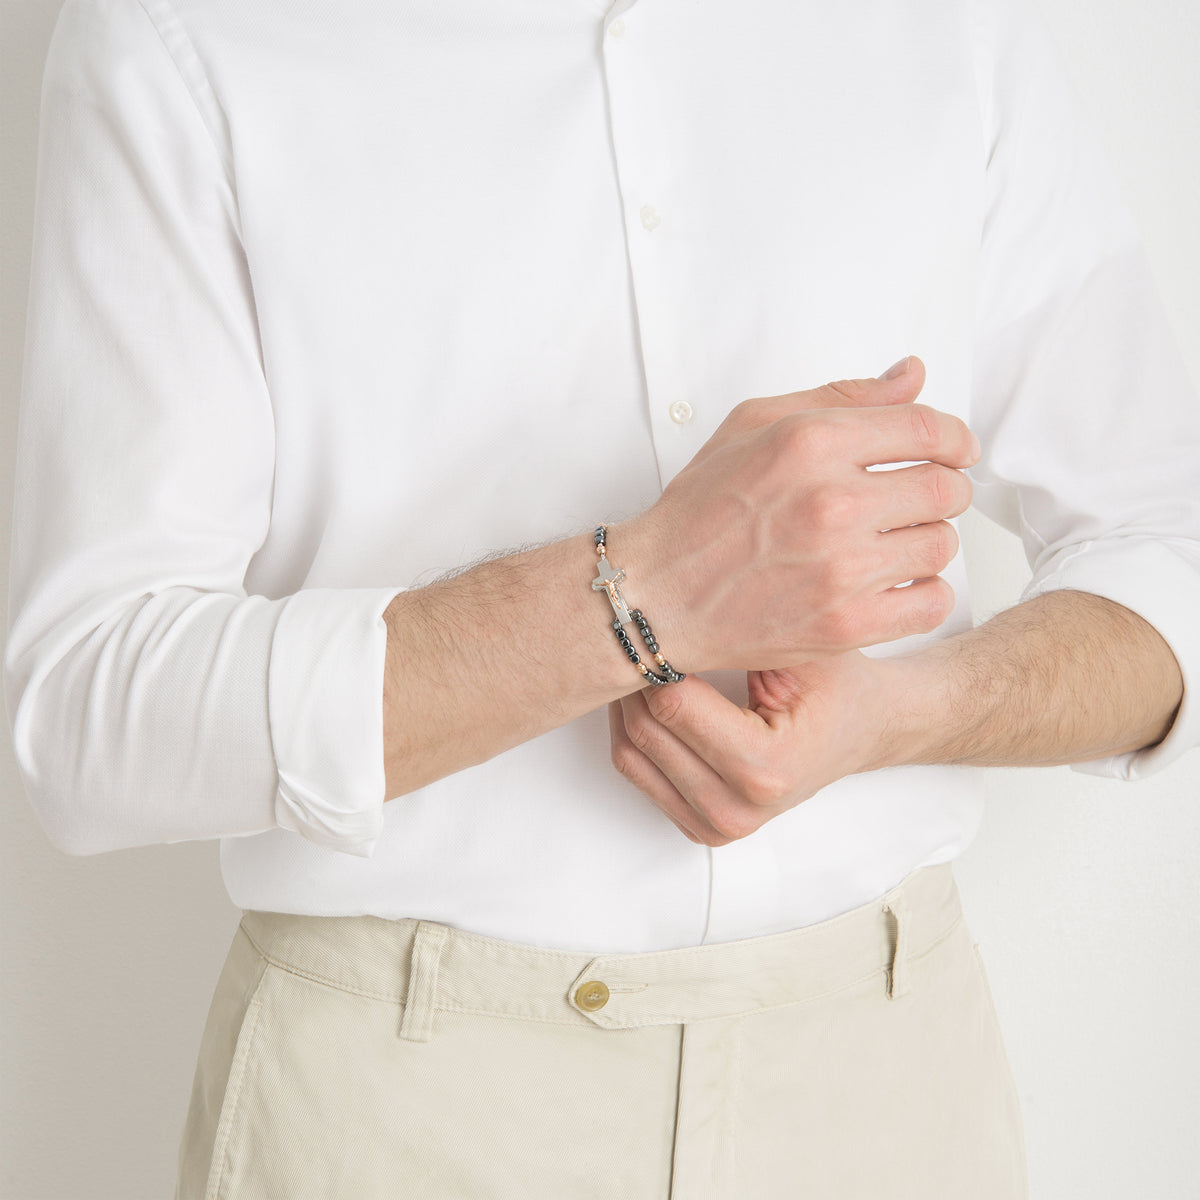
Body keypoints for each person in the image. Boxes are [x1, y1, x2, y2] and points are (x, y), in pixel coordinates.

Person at [6, 0, 1198, 1195]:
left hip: (891, 1091)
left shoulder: (953, 25)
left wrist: (903, 718)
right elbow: (85, 712)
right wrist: (645, 594)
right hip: (401, 1111)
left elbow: (1165, 545)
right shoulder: (181, 31)